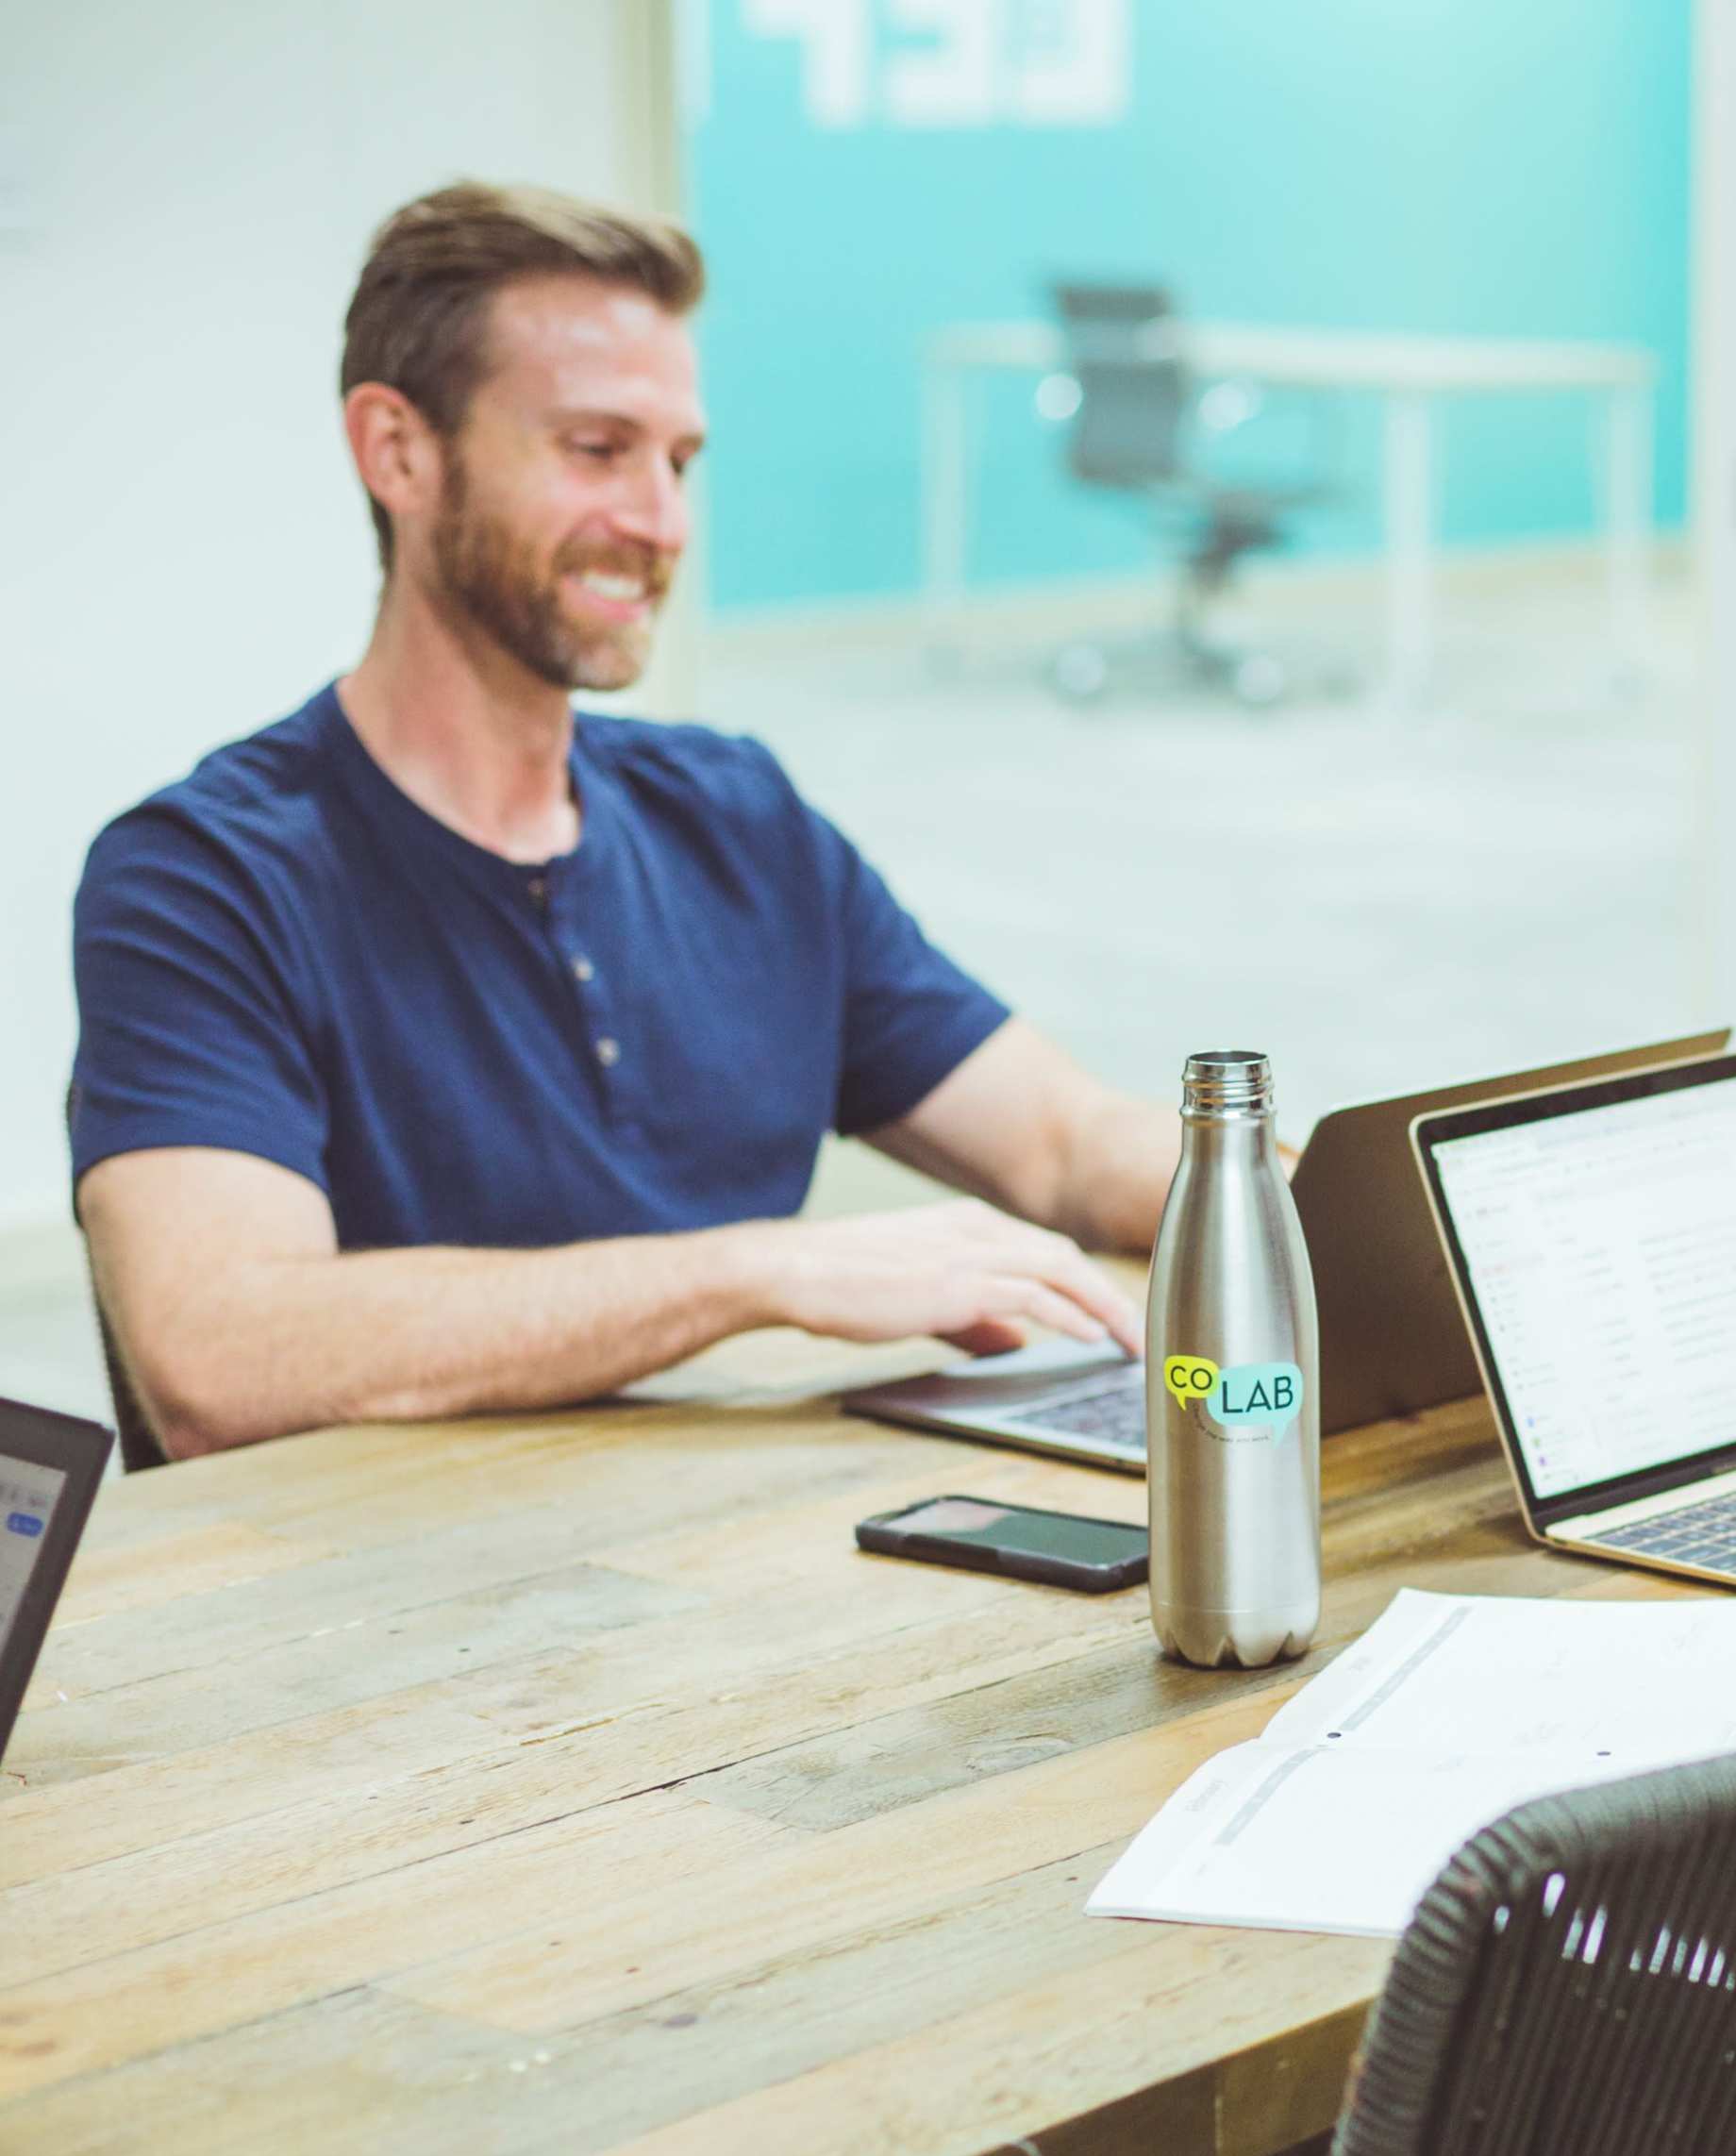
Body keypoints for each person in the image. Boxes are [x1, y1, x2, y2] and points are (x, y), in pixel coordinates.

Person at [69, 184, 1167, 1462]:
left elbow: (1066, 1143)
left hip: (738, 1576)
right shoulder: (203, 877)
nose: (659, 522)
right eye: (598, 450)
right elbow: (220, 1354)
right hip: (384, 1625)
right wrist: (756, 1273)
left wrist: (1322, 1201)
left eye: (679, 460)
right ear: (398, 452)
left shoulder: (738, 817)